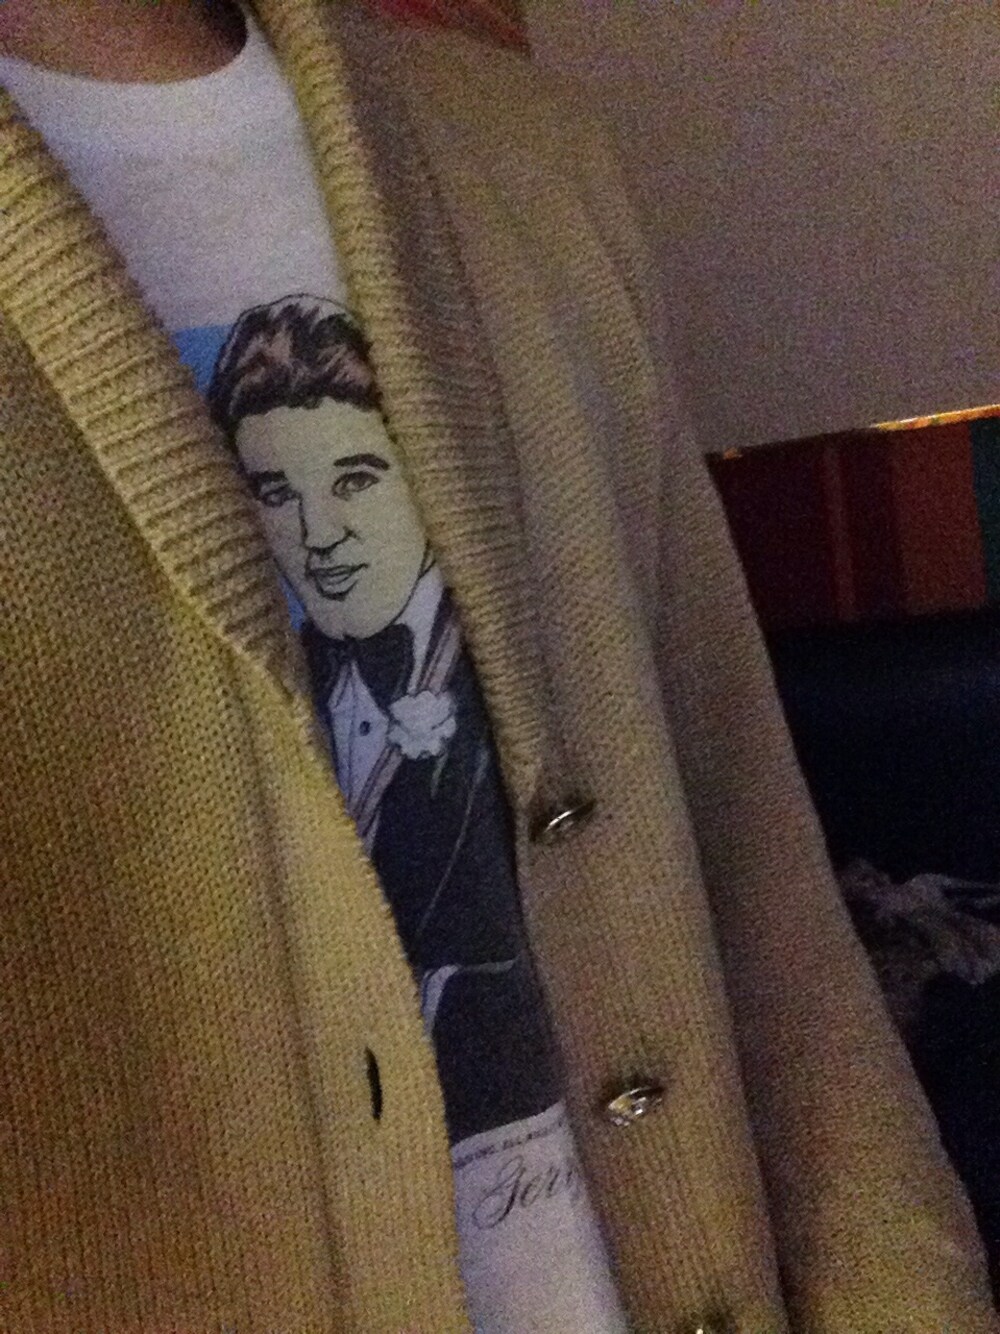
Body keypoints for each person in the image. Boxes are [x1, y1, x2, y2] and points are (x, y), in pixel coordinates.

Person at [0, 2, 994, 1331]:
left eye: (353, 482)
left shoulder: (524, 153)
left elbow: (750, 860)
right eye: (286, 495)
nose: (323, 531)